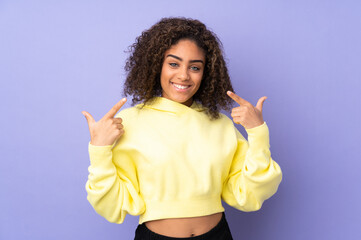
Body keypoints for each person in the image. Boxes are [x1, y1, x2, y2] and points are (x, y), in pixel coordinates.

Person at [82, 17, 282, 240]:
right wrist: (99, 150)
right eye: (174, 64)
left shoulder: (220, 125)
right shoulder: (129, 122)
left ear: (206, 73)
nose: (184, 75)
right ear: (157, 64)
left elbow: (250, 193)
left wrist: (258, 132)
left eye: (195, 67)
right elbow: (111, 205)